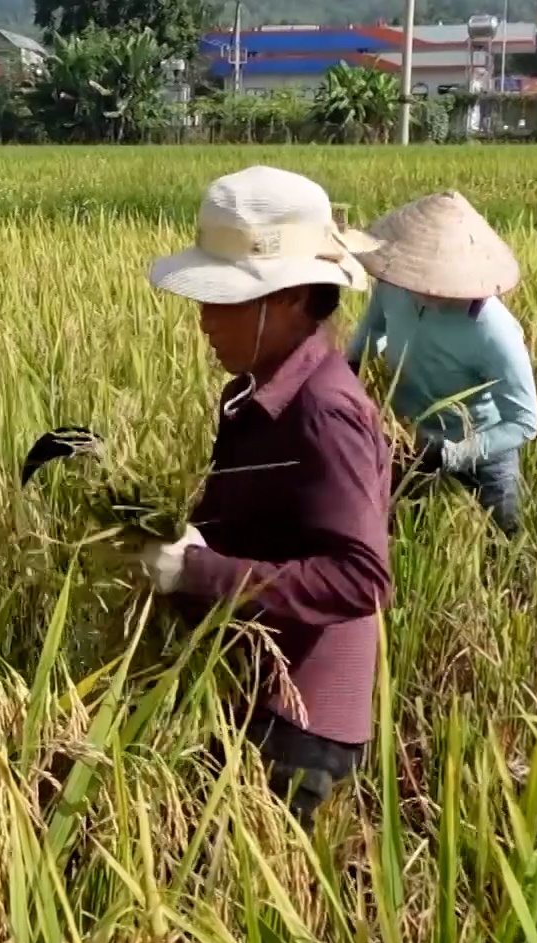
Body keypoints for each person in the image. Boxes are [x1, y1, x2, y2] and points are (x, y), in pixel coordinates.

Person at [135, 165, 394, 827]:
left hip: (300, 725)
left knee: (246, 906)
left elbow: (359, 579)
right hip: (253, 689)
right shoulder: (257, 391)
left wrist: (197, 570)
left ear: (288, 298)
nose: (203, 322)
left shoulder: (324, 411)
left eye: (221, 300)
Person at [345, 191, 537, 538]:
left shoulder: (492, 330)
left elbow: (524, 421)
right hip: (408, 437)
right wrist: (350, 368)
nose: (423, 286)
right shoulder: (393, 286)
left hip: (482, 446)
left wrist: (451, 454)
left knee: (506, 539)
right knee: (400, 529)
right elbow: (373, 328)